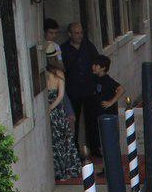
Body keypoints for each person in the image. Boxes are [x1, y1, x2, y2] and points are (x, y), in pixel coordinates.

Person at [60, 22, 99, 155]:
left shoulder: (88, 46)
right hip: (73, 91)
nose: (79, 35)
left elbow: (97, 61)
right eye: (76, 33)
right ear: (70, 34)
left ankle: (94, 148)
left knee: (92, 120)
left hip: (89, 89)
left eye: (81, 32)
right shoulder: (63, 49)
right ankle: (75, 150)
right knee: (73, 121)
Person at [45, 45, 81, 181]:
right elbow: (60, 96)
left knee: (55, 141)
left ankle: (58, 171)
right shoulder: (60, 74)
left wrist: (47, 108)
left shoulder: (43, 74)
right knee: (64, 140)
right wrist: (52, 107)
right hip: (58, 111)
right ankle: (67, 168)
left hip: (50, 111)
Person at [88, 55, 125, 162]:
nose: (93, 67)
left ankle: (112, 164)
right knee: (102, 141)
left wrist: (110, 102)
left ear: (103, 68)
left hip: (108, 114)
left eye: (96, 65)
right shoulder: (95, 79)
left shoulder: (107, 80)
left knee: (109, 140)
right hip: (99, 114)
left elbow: (121, 89)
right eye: (93, 65)